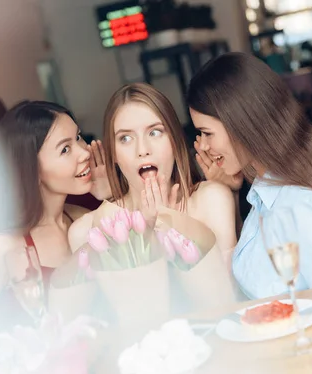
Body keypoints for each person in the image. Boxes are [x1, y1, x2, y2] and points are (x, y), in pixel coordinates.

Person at [187, 52, 312, 299]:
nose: (204, 146)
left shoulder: (298, 207)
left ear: (239, 122)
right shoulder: (264, 198)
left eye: (207, 133)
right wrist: (230, 193)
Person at [0, 101, 111, 334]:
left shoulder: (83, 219)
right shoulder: (2, 248)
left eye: (79, 137)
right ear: (31, 168)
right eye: (65, 149)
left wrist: (109, 199)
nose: (84, 152)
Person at [68, 83, 236, 262]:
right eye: (125, 138)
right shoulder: (87, 232)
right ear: (113, 153)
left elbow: (228, 286)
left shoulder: (212, 199)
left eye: (155, 132)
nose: (142, 150)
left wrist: (169, 223)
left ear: (175, 141)